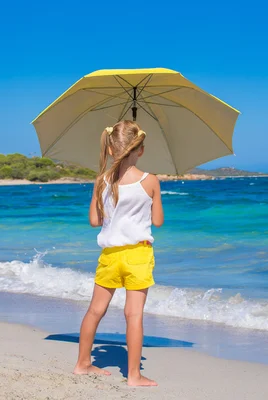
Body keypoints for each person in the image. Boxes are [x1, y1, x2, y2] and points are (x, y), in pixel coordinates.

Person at [74, 120, 164, 387]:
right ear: (141, 150)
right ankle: (134, 375)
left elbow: (93, 220)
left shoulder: (101, 181)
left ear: (111, 150)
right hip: (138, 255)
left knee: (94, 311)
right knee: (133, 315)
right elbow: (157, 221)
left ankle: (82, 363)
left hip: (110, 256)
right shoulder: (151, 181)